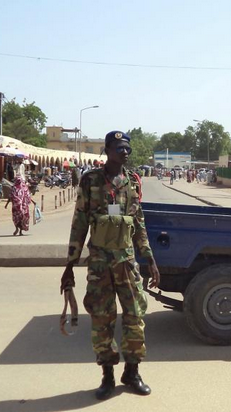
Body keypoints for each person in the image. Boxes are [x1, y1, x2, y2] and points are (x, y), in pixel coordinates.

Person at [60, 130, 160, 401]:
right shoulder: (90, 180)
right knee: (102, 319)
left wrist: (149, 258)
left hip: (126, 262)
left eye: (127, 148)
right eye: (118, 148)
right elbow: (79, 222)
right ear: (107, 150)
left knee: (135, 316)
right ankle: (107, 376)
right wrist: (70, 264)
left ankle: (132, 371)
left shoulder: (132, 182)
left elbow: (138, 223)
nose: (124, 152)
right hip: (100, 263)